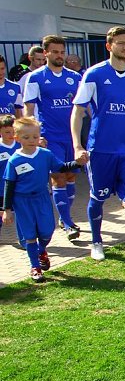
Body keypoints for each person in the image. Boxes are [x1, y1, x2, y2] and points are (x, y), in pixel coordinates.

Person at [71, 26, 125, 261]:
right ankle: (96, 241)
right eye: (121, 43)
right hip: (101, 149)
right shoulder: (94, 75)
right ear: (109, 46)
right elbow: (78, 112)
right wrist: (77, 145)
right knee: (99, 197)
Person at [1, 117, 85, 282]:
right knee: (30, 235)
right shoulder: (14, 160)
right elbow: (9, 186)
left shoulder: (45, 155)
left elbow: (60, 167)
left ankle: (41, 251)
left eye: (34, 136)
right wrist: (7, 210)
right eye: (26, 137)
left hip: (42, 198)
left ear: (39, 136)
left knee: (47, 232)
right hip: (22, 202)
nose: (31, 141)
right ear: (17, 138)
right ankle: (35, 267)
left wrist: (78, 163)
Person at [22, 35, 83, 239]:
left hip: (71, 137)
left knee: (71, 177)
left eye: (62, 52)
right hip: (50, 137)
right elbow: (28, 109)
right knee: (58, 178)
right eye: (55, 52)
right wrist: (34, 135)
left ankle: (63, 215)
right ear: (45, 52)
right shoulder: (36, 78)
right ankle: (68, 223)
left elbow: (85, 107)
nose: (59, 56)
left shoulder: (74, 78)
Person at [0, 115, 20, 241]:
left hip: (19, 188)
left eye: (13, 131)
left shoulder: (21, 145)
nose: (11, 134)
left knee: (21, 215)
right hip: (1, 189)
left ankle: (24, 240)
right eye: (7, 132)